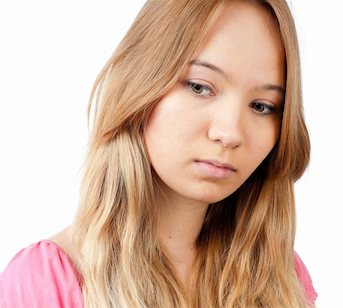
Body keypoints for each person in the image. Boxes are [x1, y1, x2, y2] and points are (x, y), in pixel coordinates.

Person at [0, 0, 317, 307]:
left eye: (262, 106)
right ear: (139, 84)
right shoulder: (47, 283)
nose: (230, 133)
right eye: (199, 86)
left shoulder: (280, 276)